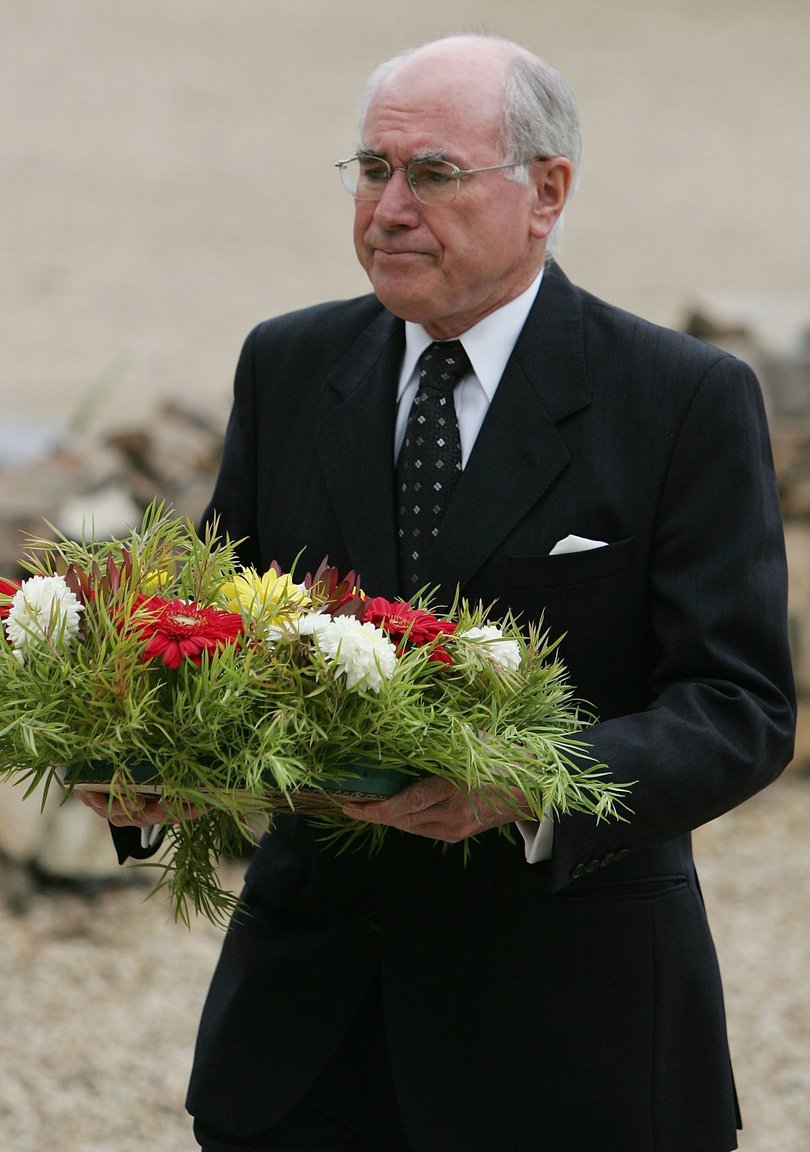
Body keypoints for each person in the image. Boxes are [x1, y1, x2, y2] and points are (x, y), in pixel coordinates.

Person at [80, 33, 796, 1152]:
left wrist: (526, 792)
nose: (390, 209)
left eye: (434, 174)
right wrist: (150, 772)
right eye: (372, 171)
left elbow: (739, 704)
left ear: (546, 192)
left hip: (566, 1040)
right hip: (303, 1042)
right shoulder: (287, 364)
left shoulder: (680, 397)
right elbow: (212, 638)